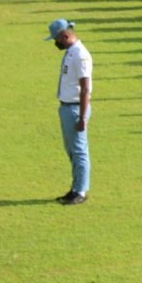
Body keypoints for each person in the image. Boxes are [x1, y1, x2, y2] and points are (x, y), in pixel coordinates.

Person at [51, 18, 93, 205]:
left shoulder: (80, 55)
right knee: (72, 151)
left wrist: (83, 117)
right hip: (67, 107)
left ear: (65, 36)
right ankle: (75, 188)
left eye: (57, 39)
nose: (55, 43)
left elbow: (85, 88)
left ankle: (81, 192)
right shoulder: (71, 52)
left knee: (79, 151)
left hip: (75, 108)